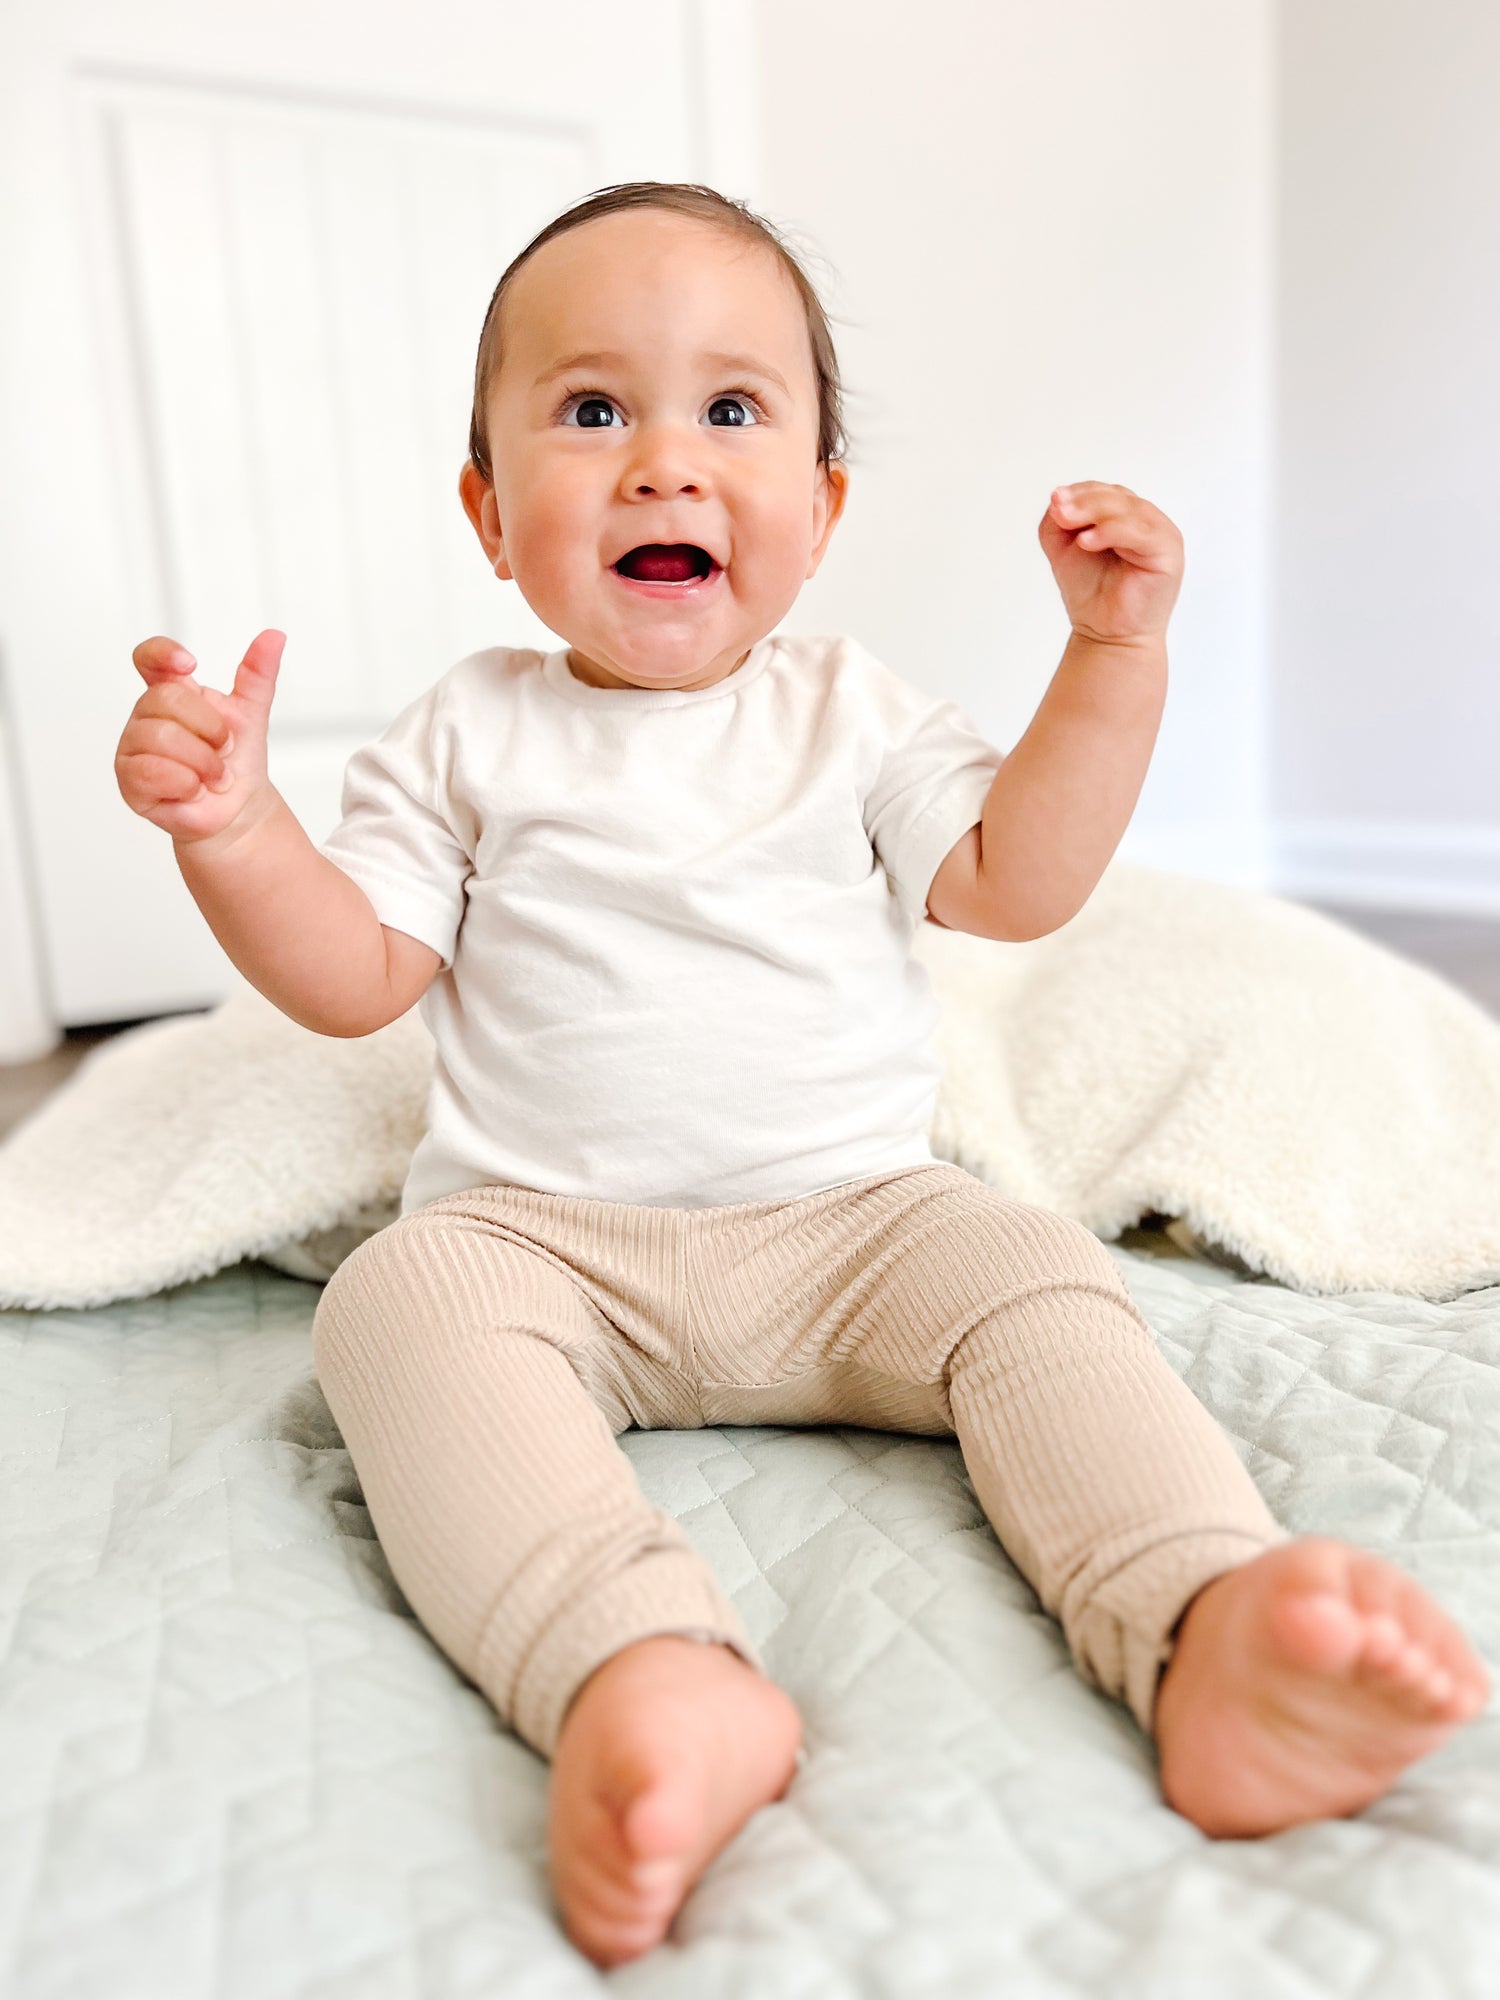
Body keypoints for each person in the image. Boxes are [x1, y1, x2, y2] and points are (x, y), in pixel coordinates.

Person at [115, 180, 1488, 1971]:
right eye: (593, 410)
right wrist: (235, 829)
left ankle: (1198, 1622)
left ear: (821, 512)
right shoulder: (466, 727)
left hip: (858, 1228)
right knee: (393, 1307)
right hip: (547, 1245)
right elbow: (353, 978)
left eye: (734, 412)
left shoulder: (850, 710)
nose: (666, 465)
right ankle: (642, 1669)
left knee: (1040, 1276)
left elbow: (1017, 879)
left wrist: (1113, 658)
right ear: (488, 512)